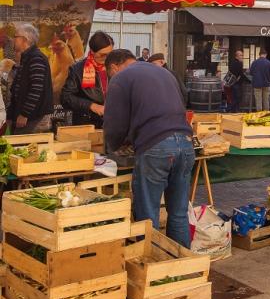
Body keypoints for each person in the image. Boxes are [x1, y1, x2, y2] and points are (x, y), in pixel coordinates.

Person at [104, 48, 195, 247]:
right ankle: (182, 269)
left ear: (113, 67)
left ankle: (151, 266)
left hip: (156, 146)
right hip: (186, 144)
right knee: (179, 214)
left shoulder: (121, 78)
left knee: (147, 216)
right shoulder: (163, 72)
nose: (110, 79)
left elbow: (114, 122)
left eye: (109, 75)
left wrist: (112, 147)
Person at [61, 31, 114, 127]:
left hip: (112, 121)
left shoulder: (115, 66)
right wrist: (91, 105)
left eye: (109, 54)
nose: (107, 58)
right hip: (87, 122)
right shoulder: (77, 69)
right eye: (102, 55)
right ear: (92, 51)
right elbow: (65, 97)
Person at [7, 24, 54, 133]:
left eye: (15, 36)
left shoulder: (36, 58)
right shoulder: (27, 57)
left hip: (33, 119)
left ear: (25, 40)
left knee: (25, 147)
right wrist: (11, 115)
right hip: (26, 116)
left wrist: (24, 114)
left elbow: (36, 89)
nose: (13, 39)